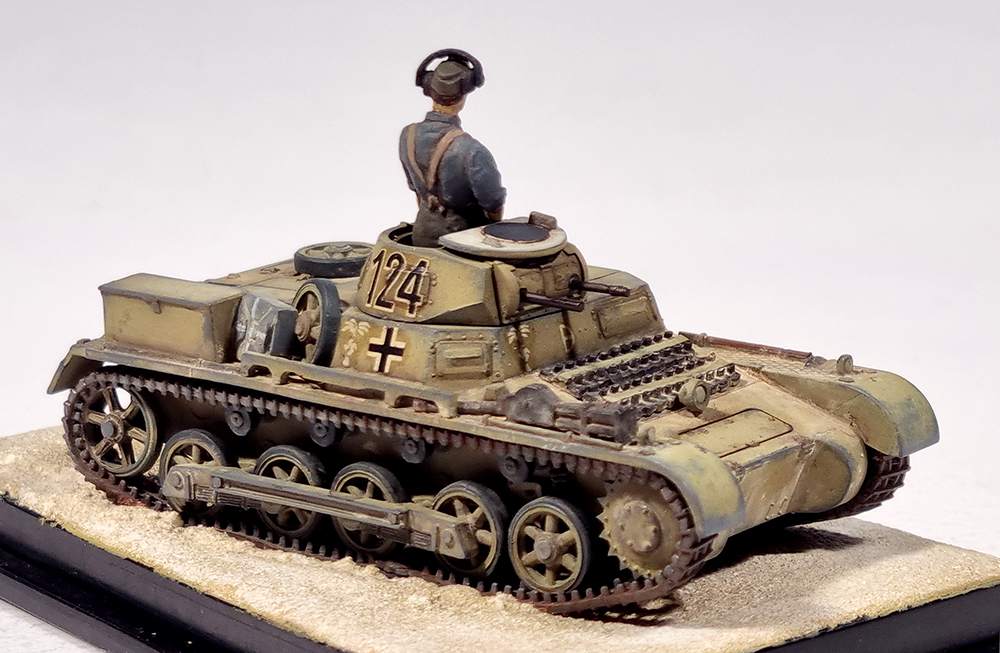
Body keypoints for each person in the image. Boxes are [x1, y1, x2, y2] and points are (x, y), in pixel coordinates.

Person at [400, 49, 506, 247]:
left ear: (428, 88)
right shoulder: (472, 150)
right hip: (465, 242)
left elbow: (417, 192)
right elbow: (493, 204)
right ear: (463, 95)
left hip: (422, 235)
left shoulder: (407, 136)